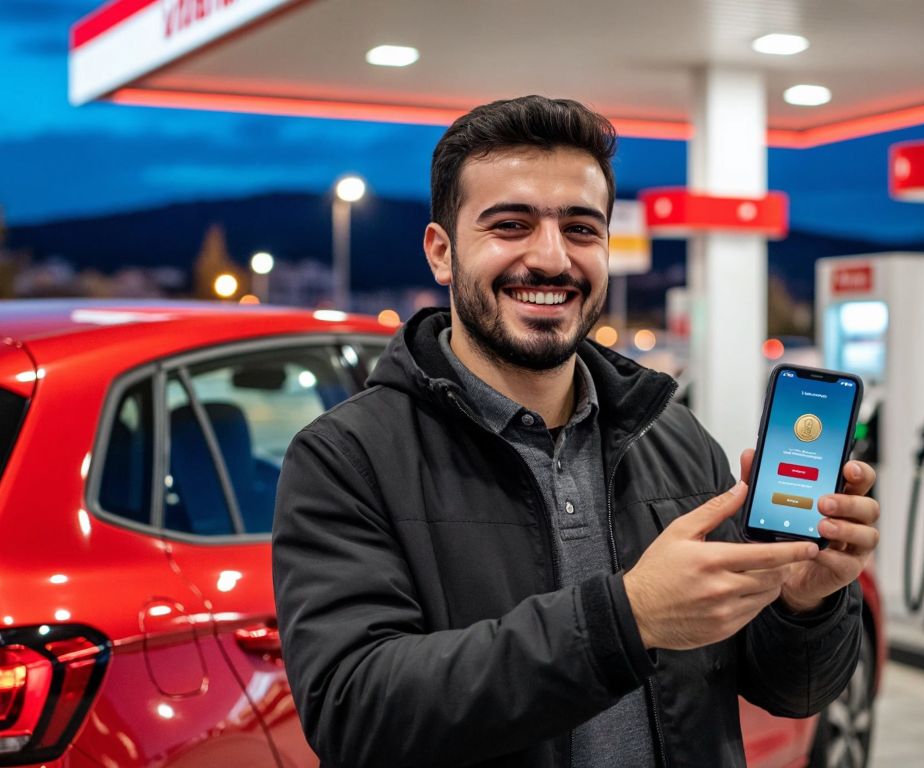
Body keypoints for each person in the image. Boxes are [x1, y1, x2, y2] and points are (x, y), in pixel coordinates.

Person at [272, 95, 880, 768]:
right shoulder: (346, 459)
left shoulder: (675, 443)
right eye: (511, 225)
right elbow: (354, 714)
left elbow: (793, 692)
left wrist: (807, 602)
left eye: (583, 230)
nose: (552, 258)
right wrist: (629, 618)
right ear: (441, 252)